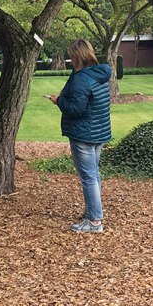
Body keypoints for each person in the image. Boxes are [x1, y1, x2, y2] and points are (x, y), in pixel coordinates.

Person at [49, 39, 112, 233]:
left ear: (77, 56)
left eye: (71, 55)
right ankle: (92, 213)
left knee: (88, 177)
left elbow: (76, 109)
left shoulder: (81, 78)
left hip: (83, 133)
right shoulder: (98, 73)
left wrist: (59, 101)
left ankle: (94, 221)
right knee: (94, 174)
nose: (69, 58)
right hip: (99, 131)